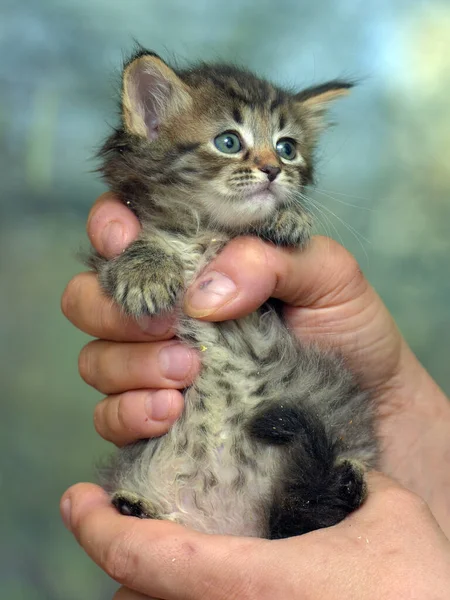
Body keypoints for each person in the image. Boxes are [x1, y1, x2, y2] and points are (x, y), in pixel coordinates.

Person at [60, 192, 450, 599]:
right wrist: (398, 402)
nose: (267, 166)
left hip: (275, 470)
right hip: (215, 477)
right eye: (228, 143)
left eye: (285, 149)